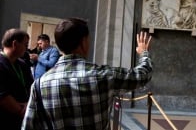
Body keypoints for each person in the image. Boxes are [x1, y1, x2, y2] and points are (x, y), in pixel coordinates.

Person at [22, 17, 153, 129]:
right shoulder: (104, 76)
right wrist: (143, 52)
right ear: (83, 43)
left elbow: (28, 126)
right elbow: (143, 74)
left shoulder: (39, 85)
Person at [0, 29, 34, 130]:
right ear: (15, 44)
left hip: (23, 117)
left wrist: (29, 105)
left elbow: (31, 86)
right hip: (5, 119)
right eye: (25, 45)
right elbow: (2, 96)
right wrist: (22, 110)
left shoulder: (22, 64)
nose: (26, 49)